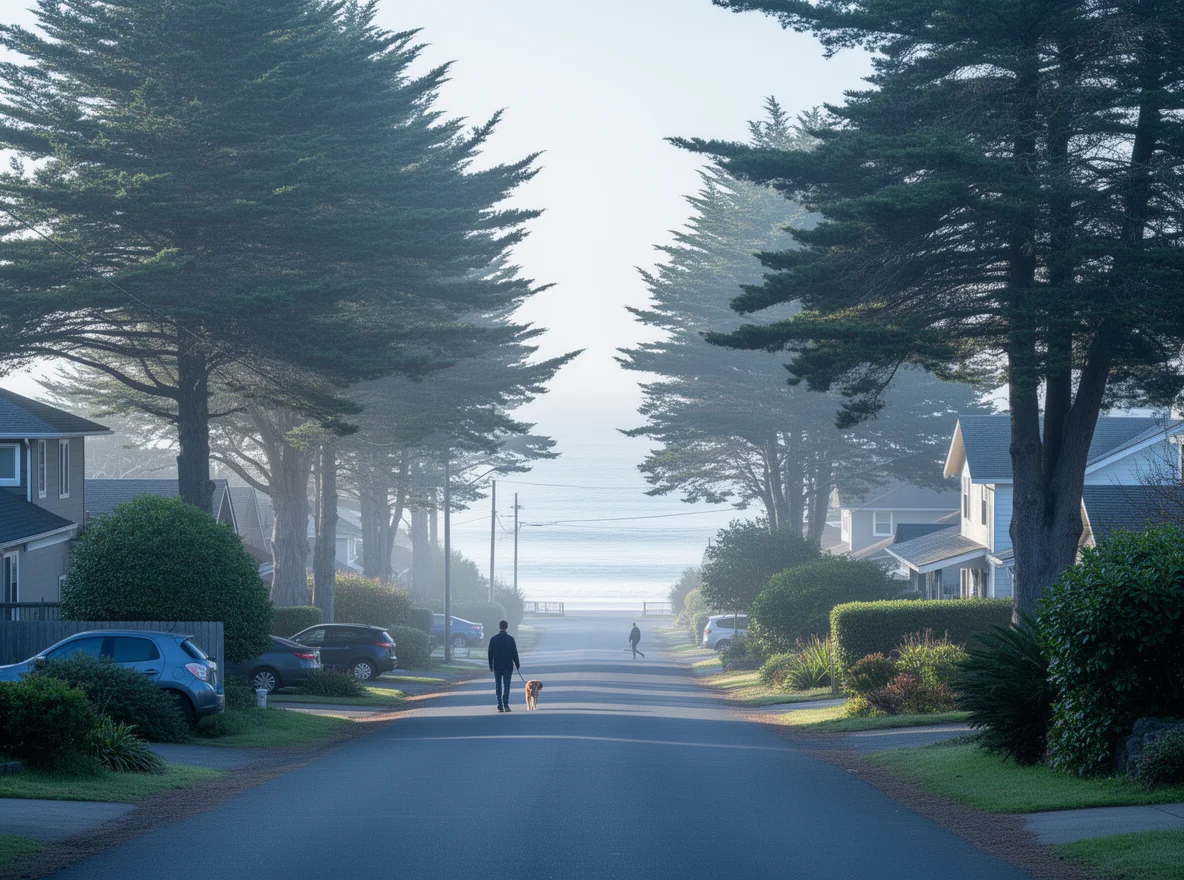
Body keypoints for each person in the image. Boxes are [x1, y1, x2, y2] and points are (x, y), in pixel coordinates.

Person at [487, 619, 520, 712]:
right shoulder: (510, 639)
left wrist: (490, 666)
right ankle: (506, 704)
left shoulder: (493, 639)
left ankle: (499, 705)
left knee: (498, 685)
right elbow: (514, 653)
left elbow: (490, 654)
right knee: (506, 685)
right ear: (507, 627)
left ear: (499, 627)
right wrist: (517, 664)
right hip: (508, 665)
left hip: (497, 666)